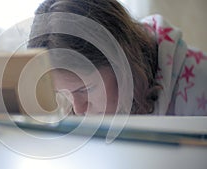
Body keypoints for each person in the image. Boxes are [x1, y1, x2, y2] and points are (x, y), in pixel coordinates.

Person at [28, 0, 207, 116]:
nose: (78, 109)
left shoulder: (200, 84)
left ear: (123, 62)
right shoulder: (81, 110)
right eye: (63, 93)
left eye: (85, 89)